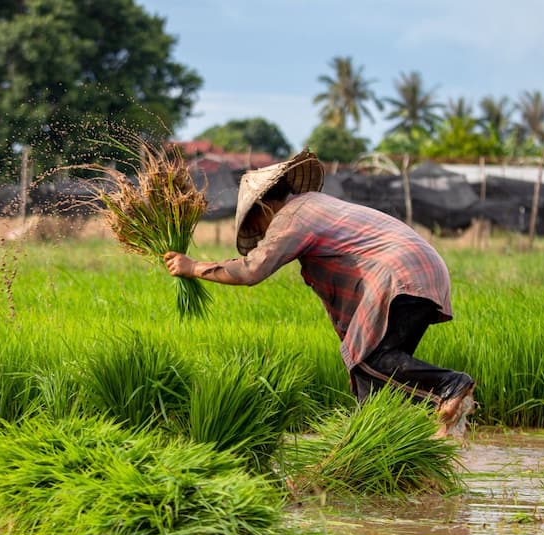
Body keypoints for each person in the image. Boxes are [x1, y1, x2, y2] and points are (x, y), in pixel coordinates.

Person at [164, 150, 475, 438]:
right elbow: (345, 306)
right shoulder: (316, 206)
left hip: (399, 274)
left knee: (371, 359)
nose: (262, 233)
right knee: (375, 381)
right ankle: (383, 449)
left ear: (262, 207)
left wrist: (193, 268)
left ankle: (450, 384)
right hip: (421, 269)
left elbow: (250, 271)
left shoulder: (293, 217)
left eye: (256, 224)